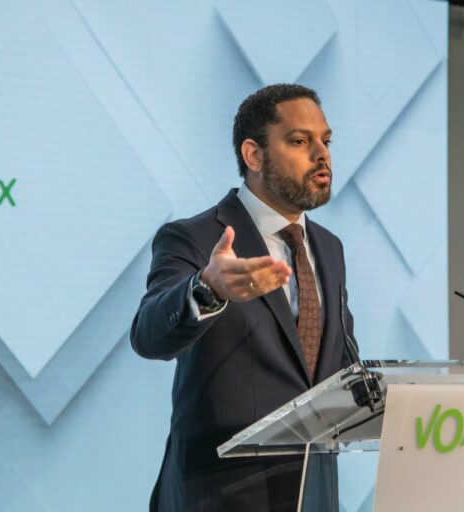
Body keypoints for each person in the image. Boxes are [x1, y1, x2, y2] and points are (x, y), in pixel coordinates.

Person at [131, 83, 357, 511]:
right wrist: (208, 289)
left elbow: (336, 364)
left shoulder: (329, 248)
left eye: (326, 141)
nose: (321, 155)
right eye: (300, 141)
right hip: (220, 496)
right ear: (253, 155)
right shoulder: (195, 238)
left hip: (312, 495)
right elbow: (148, 336)